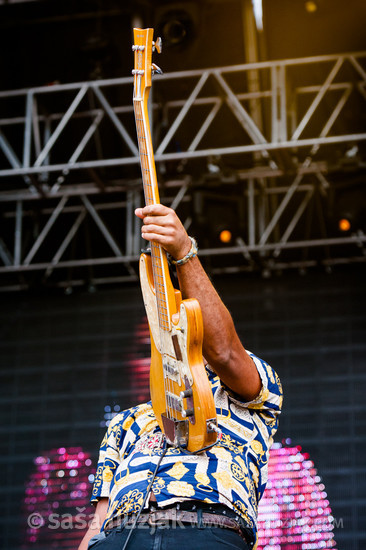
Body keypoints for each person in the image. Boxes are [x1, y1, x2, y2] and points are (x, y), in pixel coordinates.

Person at [78, 205, 283, 550]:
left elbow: (225, 353)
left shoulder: (254, 389)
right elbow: (99, 520)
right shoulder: (126, 422)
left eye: (184, 328)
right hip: (121, 536)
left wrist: (184, 253)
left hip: (207, 530)